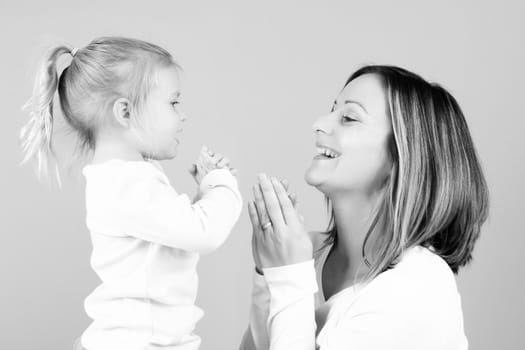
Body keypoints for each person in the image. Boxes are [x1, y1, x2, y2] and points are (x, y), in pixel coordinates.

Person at [240, 65, 489, 350]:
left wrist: (288, 276)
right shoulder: (308, 253)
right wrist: (268, 272)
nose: (319, 123)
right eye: (332, 110)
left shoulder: (420, 286)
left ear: (402, 158)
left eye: (348, 117)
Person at [19, 36, 243, 350]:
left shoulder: (121, 179)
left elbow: (165, 244)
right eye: (173, 102)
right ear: (125, 112)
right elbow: (204, 233)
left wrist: (198, 199)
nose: (183, 115)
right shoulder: (127, 183)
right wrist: (221, 184)